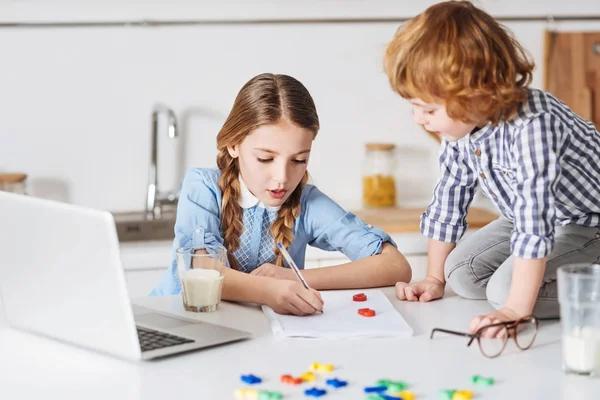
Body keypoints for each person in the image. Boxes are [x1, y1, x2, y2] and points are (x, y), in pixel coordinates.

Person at [384, 1, 600, 333]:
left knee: (503, 291)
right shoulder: (461, 128)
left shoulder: (533, 126)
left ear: (474, 92)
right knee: (462, 275)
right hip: (525, 220)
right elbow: (448, 201)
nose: (419, 120)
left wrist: (515, 309)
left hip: (586, 222)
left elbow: (535, 225)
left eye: (427, 109)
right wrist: (433, 277)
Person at [151, 73, 412, 315]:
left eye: (298, 160)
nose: (283, 178)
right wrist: (269, 291)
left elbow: (395, 266)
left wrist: (294, 277)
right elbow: (203, 269)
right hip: (175, 321)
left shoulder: (307, 203)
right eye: (265, 158)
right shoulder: (203, 187)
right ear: (233, 145)